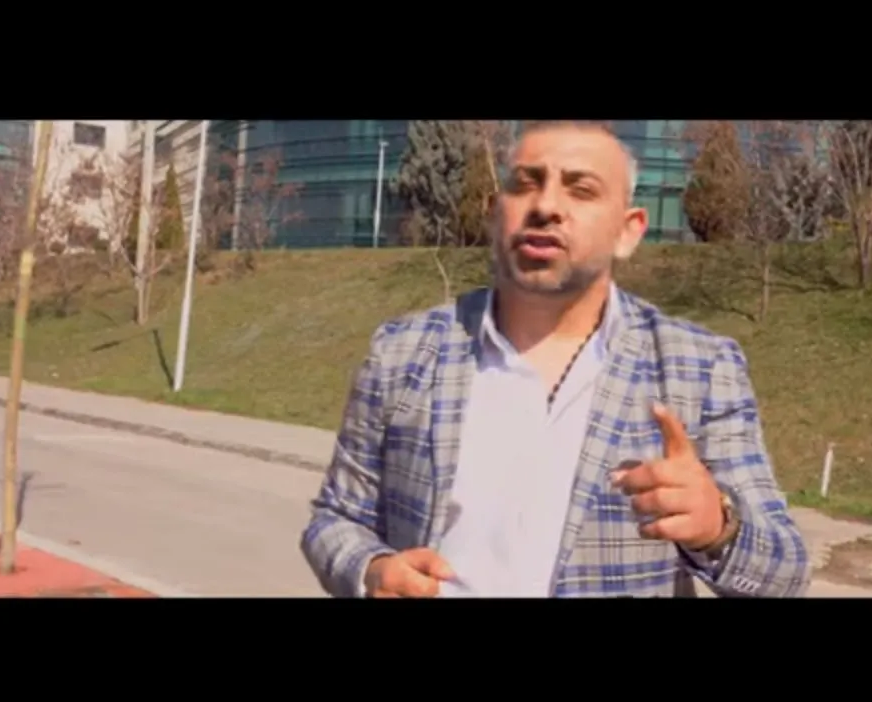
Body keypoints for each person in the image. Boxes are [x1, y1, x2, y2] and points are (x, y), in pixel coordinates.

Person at [301, 120, 811, 598]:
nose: (545, 205)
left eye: (580, 189)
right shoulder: (403, 352)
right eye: (525, 184)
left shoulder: (700, 368)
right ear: (495, 213)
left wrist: (719, 530)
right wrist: (369, 570)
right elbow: (335, 519)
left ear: (628, 230)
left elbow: (786, 573)